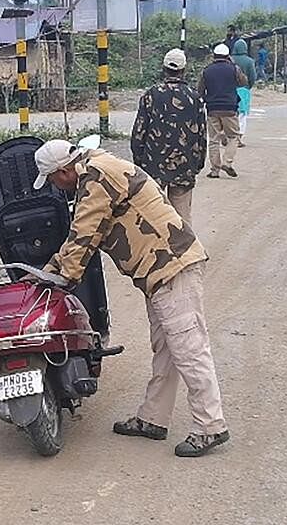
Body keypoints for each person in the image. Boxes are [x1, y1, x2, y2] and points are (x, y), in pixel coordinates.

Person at [32, 140, 230, 457]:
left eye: (54, 179)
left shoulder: (96, 177)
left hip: (172, 265)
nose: (56, 186)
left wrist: (62, 278)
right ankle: (153, 418)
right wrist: (45, 272)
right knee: (167, 347)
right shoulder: (95, 169)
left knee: (189, 348)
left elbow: (85, 233)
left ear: (64, 171)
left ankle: (210, 426)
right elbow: (79, 236)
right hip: (159, 270)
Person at [129, 48, 206, 224]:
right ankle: (184, 249)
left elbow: (139, 131)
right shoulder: (195, 97)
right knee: (181, 216)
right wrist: (197, 164)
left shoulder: (151, 95)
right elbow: (201, 134)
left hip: (153, 164)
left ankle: (154, 250)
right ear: (183, 70)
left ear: (164, 68)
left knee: (151, 213)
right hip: (184, 164)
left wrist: (138, 161)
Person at [197, 43, 247, 179]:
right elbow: (243, 82)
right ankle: (227, 162)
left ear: (214, 56)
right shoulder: (234, 69)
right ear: (227, 56)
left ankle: (214, 170)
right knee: (234, 136)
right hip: (230, 108)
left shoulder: (206, 70)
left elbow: (200, 90)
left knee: (214, 140)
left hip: (212, 108)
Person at [231, 38, 257, 147]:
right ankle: (239, 138)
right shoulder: (249, 61)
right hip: (244, 90)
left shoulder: (230, 60)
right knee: (242, 115)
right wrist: (248, 86)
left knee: (232, 114)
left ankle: (230, 136)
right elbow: (252, 77)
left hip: (230, 90)